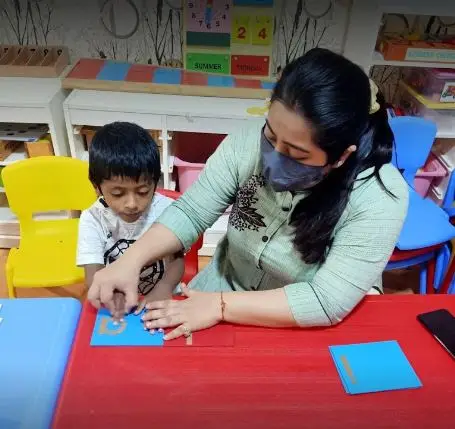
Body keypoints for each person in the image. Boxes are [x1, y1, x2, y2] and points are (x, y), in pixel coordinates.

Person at [88, 48, 408, 340]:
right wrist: (131, 260)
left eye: (296, 153)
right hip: (216, 290)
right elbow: (192, 211)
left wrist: (220, 306)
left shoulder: (378, 198)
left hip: (296, 322)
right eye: (270, 135)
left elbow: (325, 300)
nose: (273, 157)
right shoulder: (245, 144)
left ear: (340, 157)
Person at [77, 121, 184, 319]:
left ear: (155, 182)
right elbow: (92, 273)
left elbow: (177, 260)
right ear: (96, 187)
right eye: (118, 193)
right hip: (119, 302)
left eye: (143, 191)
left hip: (163, 295)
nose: (132, 204)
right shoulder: (93, 218)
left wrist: (164, 288)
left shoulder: (167, 210)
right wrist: (112, 294)